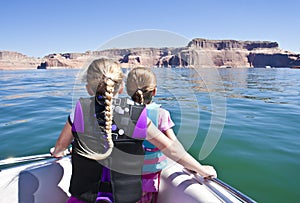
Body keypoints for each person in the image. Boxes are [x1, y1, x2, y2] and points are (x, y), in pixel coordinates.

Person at [52, 59, 217, 203]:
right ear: (121, 87)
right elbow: (171, 149)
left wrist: (58, 152)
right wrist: (201, 169)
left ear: (88, 88)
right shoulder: (137, 115)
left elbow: (60, 147)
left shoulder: (78, 111)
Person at [126, 67, 177, 203]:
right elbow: (175, 147)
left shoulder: (121, 113)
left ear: (128, 90)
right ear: (154, 91)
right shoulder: (161, 115)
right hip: (148, 179)